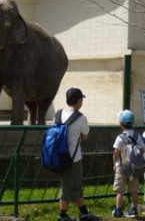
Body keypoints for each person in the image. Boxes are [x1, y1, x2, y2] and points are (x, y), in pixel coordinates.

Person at [57, 87, 102, 221]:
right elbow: (85, 135)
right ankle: (62, 216)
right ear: (78, 101)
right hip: (73, 158)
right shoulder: (81, 118)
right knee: (68, 187)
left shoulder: (58, 114)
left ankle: (84, 213)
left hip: (59, 156)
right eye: (81, 99)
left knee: (74, 185)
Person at [111, 109, 145, 218]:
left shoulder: (120, 138)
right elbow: (143, 149)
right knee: (134, 190)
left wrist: (115, 164)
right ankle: (134, 209)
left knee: (120, 191)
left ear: (121, 124)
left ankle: (118, 210)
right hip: (134, 168)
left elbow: (116, 152)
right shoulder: (137, 135)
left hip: (121, 167)